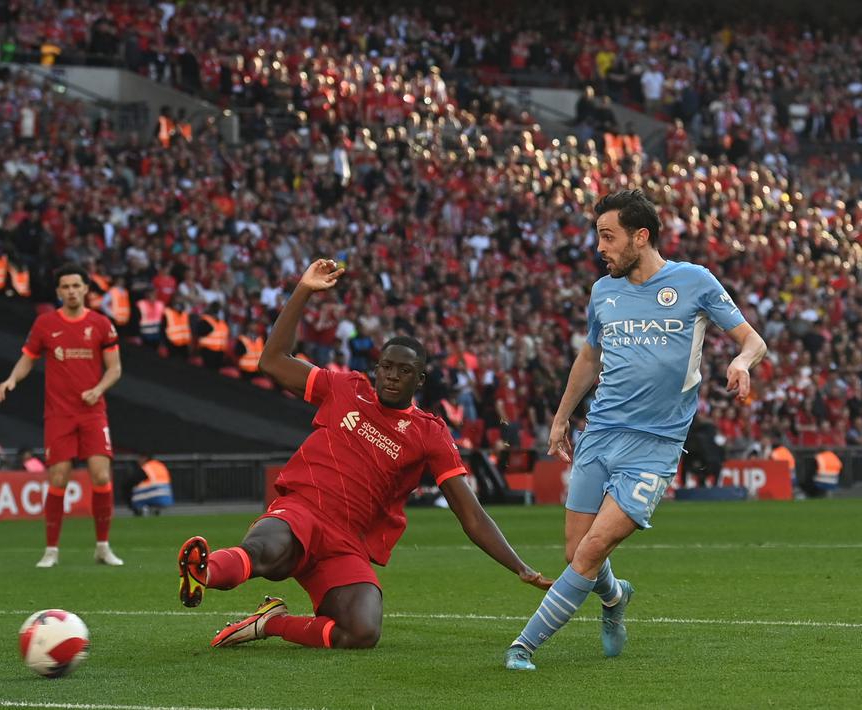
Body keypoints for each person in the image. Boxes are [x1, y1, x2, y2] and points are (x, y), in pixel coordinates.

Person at [177, 259, 552, 650]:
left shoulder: (429, 433)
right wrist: (303, 290)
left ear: (419, 379)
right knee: (268, 549)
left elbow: (471, 515)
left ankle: (271, 623)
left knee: (362, 631)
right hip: (302, 510)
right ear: (376, 369)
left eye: (403, 371)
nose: (391, 375)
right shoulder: (345, 388)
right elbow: (271, 361)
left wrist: (520, 568)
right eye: (386, 367)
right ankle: (203, 571)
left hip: (345, 541)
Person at [504, 190, 768, 671]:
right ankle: (615, 598)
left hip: (655, 445)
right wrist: (563, 417)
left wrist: (741, 360)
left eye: (608, 236)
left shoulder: (694, 281)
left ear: (640, 236)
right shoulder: (603, 291)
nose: (599, 247)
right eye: (598, 236)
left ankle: (523, 645)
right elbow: (590, 356)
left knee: (592, 549)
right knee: (575, 551)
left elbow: (753, 339)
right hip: (599, 433)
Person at [0, 264, 124, 568]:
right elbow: (27, 358)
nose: (72, 291)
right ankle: (51, 550)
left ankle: (103, 547)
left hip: (92, 412)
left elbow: (115, 368)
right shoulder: (45, 324)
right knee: (58, 478)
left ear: (85, 289)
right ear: (58, 292)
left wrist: (98, 388)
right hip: (59, 414)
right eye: (65, 287)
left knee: (101, 475)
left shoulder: (101, 324)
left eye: (76, 286)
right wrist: (12, 380)